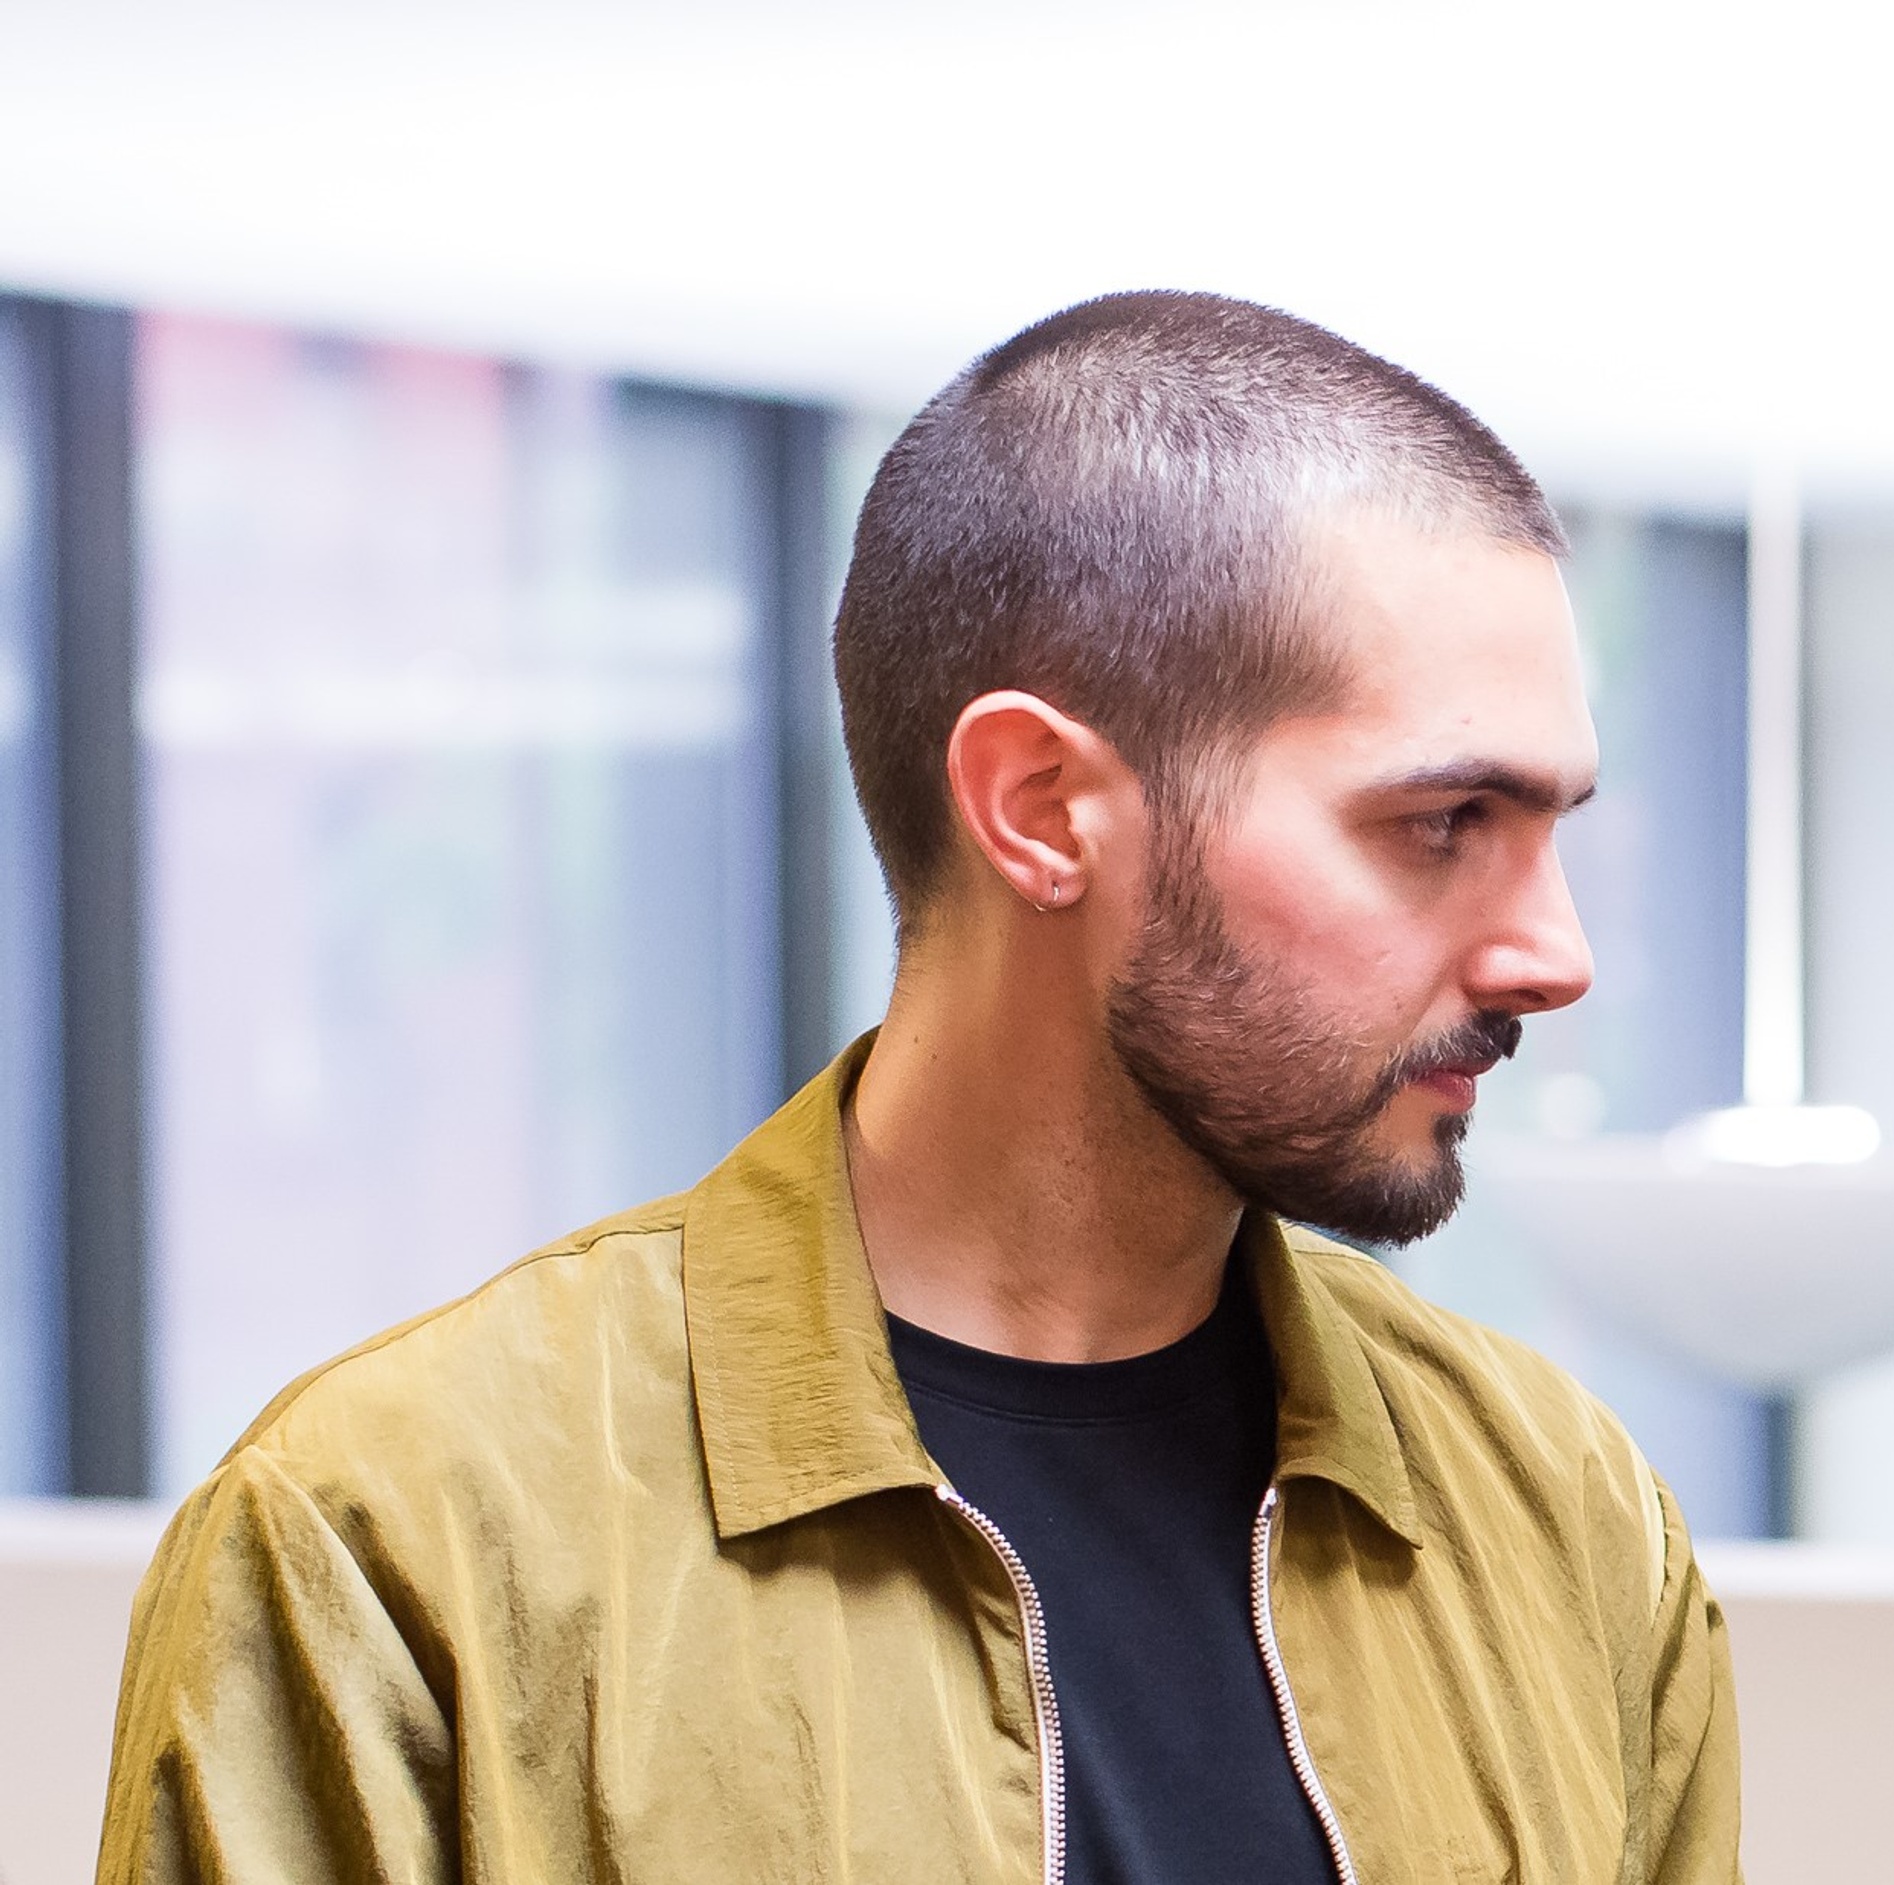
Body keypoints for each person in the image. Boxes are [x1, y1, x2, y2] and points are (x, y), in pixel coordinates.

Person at [98, 290, 1740, 1884]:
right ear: (1039, 807)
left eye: (1555, 828)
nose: (1557, 954)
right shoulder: (397, 1536)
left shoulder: (1567, 1513)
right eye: (1444, 822)